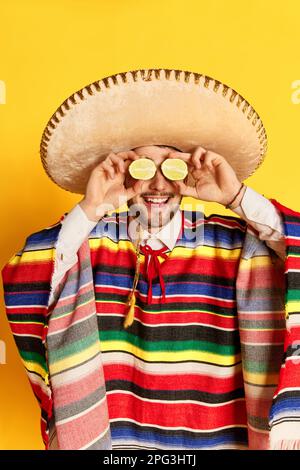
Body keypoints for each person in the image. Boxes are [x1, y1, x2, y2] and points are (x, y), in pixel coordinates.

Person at [2, 69, 300, 451]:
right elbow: (28, 275)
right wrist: (91, 209)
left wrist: (237, 197)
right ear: (122, 171)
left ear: (191, 170)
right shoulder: (89, 242)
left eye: (172, 166)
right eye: (142, 166)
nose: (158, 184)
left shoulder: (236, 243)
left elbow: (291, 251)